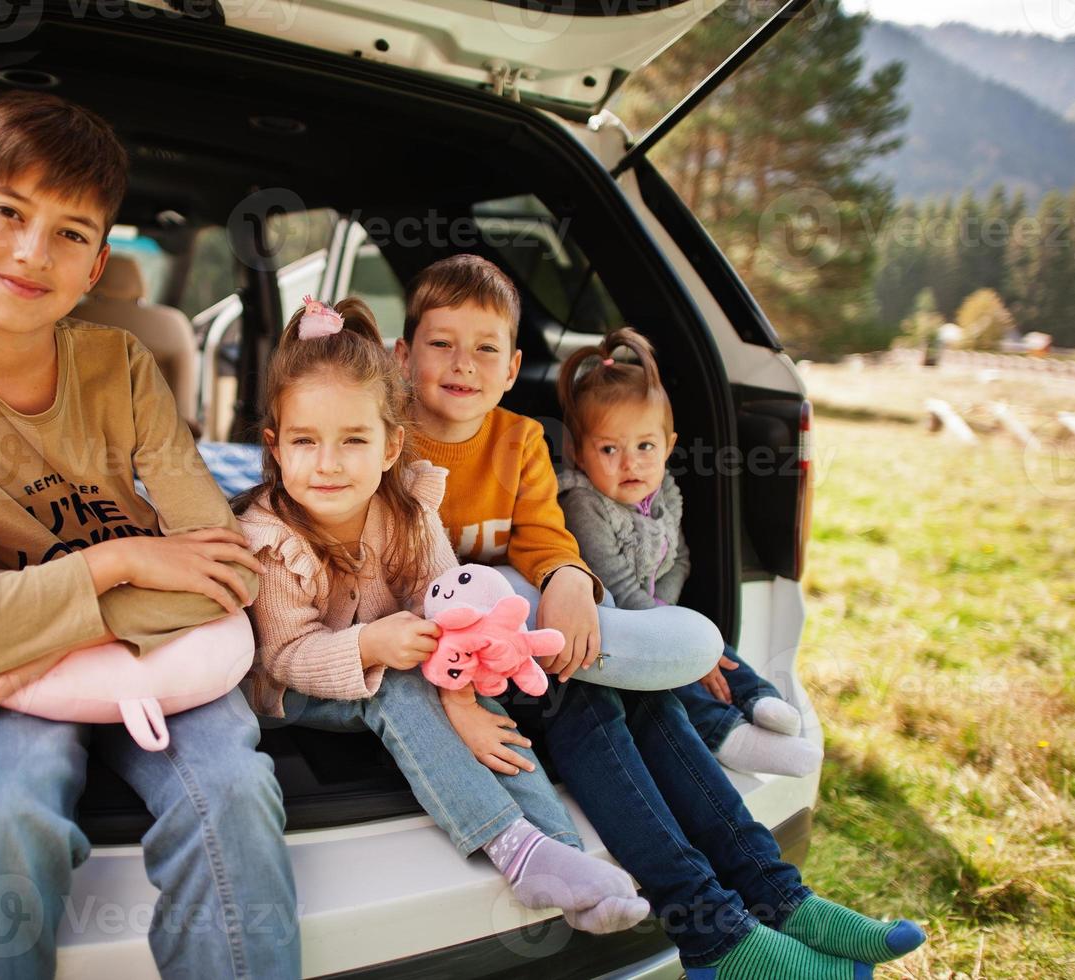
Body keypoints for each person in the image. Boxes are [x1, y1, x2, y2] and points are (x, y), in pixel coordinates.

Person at [0, 91, 297, 979]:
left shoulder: (120, 366)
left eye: (70, 233)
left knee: (237, 792)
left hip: (101, 650)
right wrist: (120, 558)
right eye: (7, 213)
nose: (29, 252)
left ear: (95, 267)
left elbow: (226, 564)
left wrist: (57, 629)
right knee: (3, 811)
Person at [397, 254, 925, 978]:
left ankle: (777, 898)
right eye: (440, 344)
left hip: (529, 642)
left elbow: (545, 535)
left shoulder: (520, 440)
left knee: (636, 695)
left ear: (514, 362)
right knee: (590, 705)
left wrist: (568, 579)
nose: (463, 364)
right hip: (445, 665)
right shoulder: (384, 442)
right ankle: (715, 933)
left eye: (485, 348)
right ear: (402, 354)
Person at [237, 295, 650, 935]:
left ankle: (563, 852)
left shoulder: (407, 508)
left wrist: (463, 699)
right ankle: (514, 848)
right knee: (402, 688)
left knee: (482, 695)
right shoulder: (269, 537)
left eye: (353, 440)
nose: (327, 462)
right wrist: (372, 645)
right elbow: (283, 656)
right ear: (275, 446)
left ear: (389, 445)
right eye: (304, 441)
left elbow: (447, 601)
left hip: (400, 653)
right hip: (298, 688)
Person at [555, 326, 823, 778]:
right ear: (579, 455)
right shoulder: (583, 505)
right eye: (608, 449)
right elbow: (615, 584)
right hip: (609, 626)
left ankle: (759, 700)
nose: (630, 463)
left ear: (669, 447)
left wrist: (674, 614)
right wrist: (673, 632)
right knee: (674, 672)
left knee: (718, 644)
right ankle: (727, 735)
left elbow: (678, 558)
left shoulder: (666, 495)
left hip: (656, 612)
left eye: (645, 446)